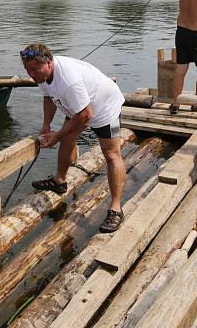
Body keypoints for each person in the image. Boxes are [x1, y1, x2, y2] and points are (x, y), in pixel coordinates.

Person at [20, 43, 127, 233]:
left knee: (111, 154)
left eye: (35, 69)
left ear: (49, 63)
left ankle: (116, 208)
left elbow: (86, 115)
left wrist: (56, 136)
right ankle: (59, 181)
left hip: (104, 107)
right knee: (67, 139)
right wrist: (46, 125)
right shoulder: (42, 76)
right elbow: (49, 97)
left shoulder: (69, 80)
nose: (32, 74)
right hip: (78, 106)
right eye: (28, 70)